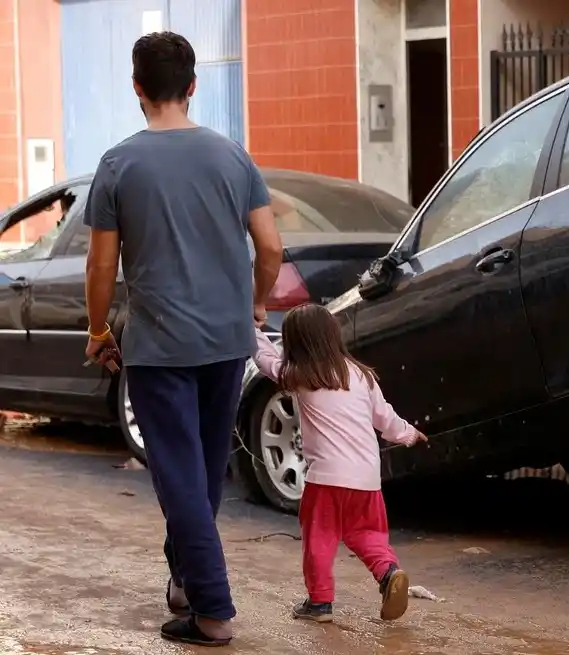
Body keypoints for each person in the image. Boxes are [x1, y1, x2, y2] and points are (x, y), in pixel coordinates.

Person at [82, 31, 283, 647]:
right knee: (198, 472)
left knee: (178, 476)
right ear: (192, 86)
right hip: (227, 341)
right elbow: (271, 247)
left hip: (160, 346)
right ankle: (184, 581)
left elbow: (100, 266)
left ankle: (213, 611)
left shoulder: (119, 164)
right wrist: (253, 304)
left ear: (137, 88)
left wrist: (96, 330)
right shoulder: (232, 156)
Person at [250, 303, 427, 623]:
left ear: (295, 344)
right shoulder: (362, 375)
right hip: (367, 479)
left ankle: (319, 603)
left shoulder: (301, 376)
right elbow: (385, 419)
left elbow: (265, 360)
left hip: (326, 480)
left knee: (320, 538)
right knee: (368, 534)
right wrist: (410, 434)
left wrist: (252, 331)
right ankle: (388, 573)